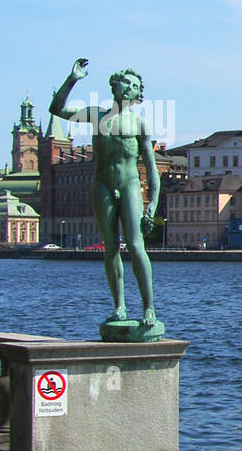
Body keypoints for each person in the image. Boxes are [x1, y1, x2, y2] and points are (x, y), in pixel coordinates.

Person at [50, 58, 160, 330]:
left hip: (130, 184)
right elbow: (57, 108)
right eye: (125, 81)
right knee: (110, 248)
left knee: (136, 246)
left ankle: (148, 306)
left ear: (137, 95)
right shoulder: (96, 115)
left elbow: (152, 169)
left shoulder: (139, 124)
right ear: (115, 84)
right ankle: (119, 307)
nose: (128, 87)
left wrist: (153, 205)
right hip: (102, 185)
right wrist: (72, 78)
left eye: (134, 85)